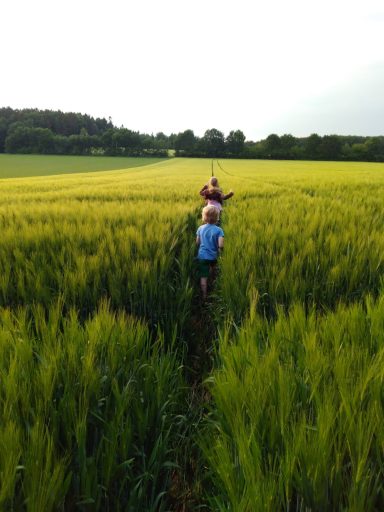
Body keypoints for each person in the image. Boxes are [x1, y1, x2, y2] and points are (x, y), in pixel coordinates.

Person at [196, 205, 224, 300]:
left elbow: (197, 242)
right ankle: (212, 284)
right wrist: (220, 253)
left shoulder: (200, 228)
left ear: (204, 217)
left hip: (202, 256)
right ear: (217, 217)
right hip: (213, 256)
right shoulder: (219, 230)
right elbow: (220, 245)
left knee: (203, 276)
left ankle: (204, 295)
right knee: (213, 270)